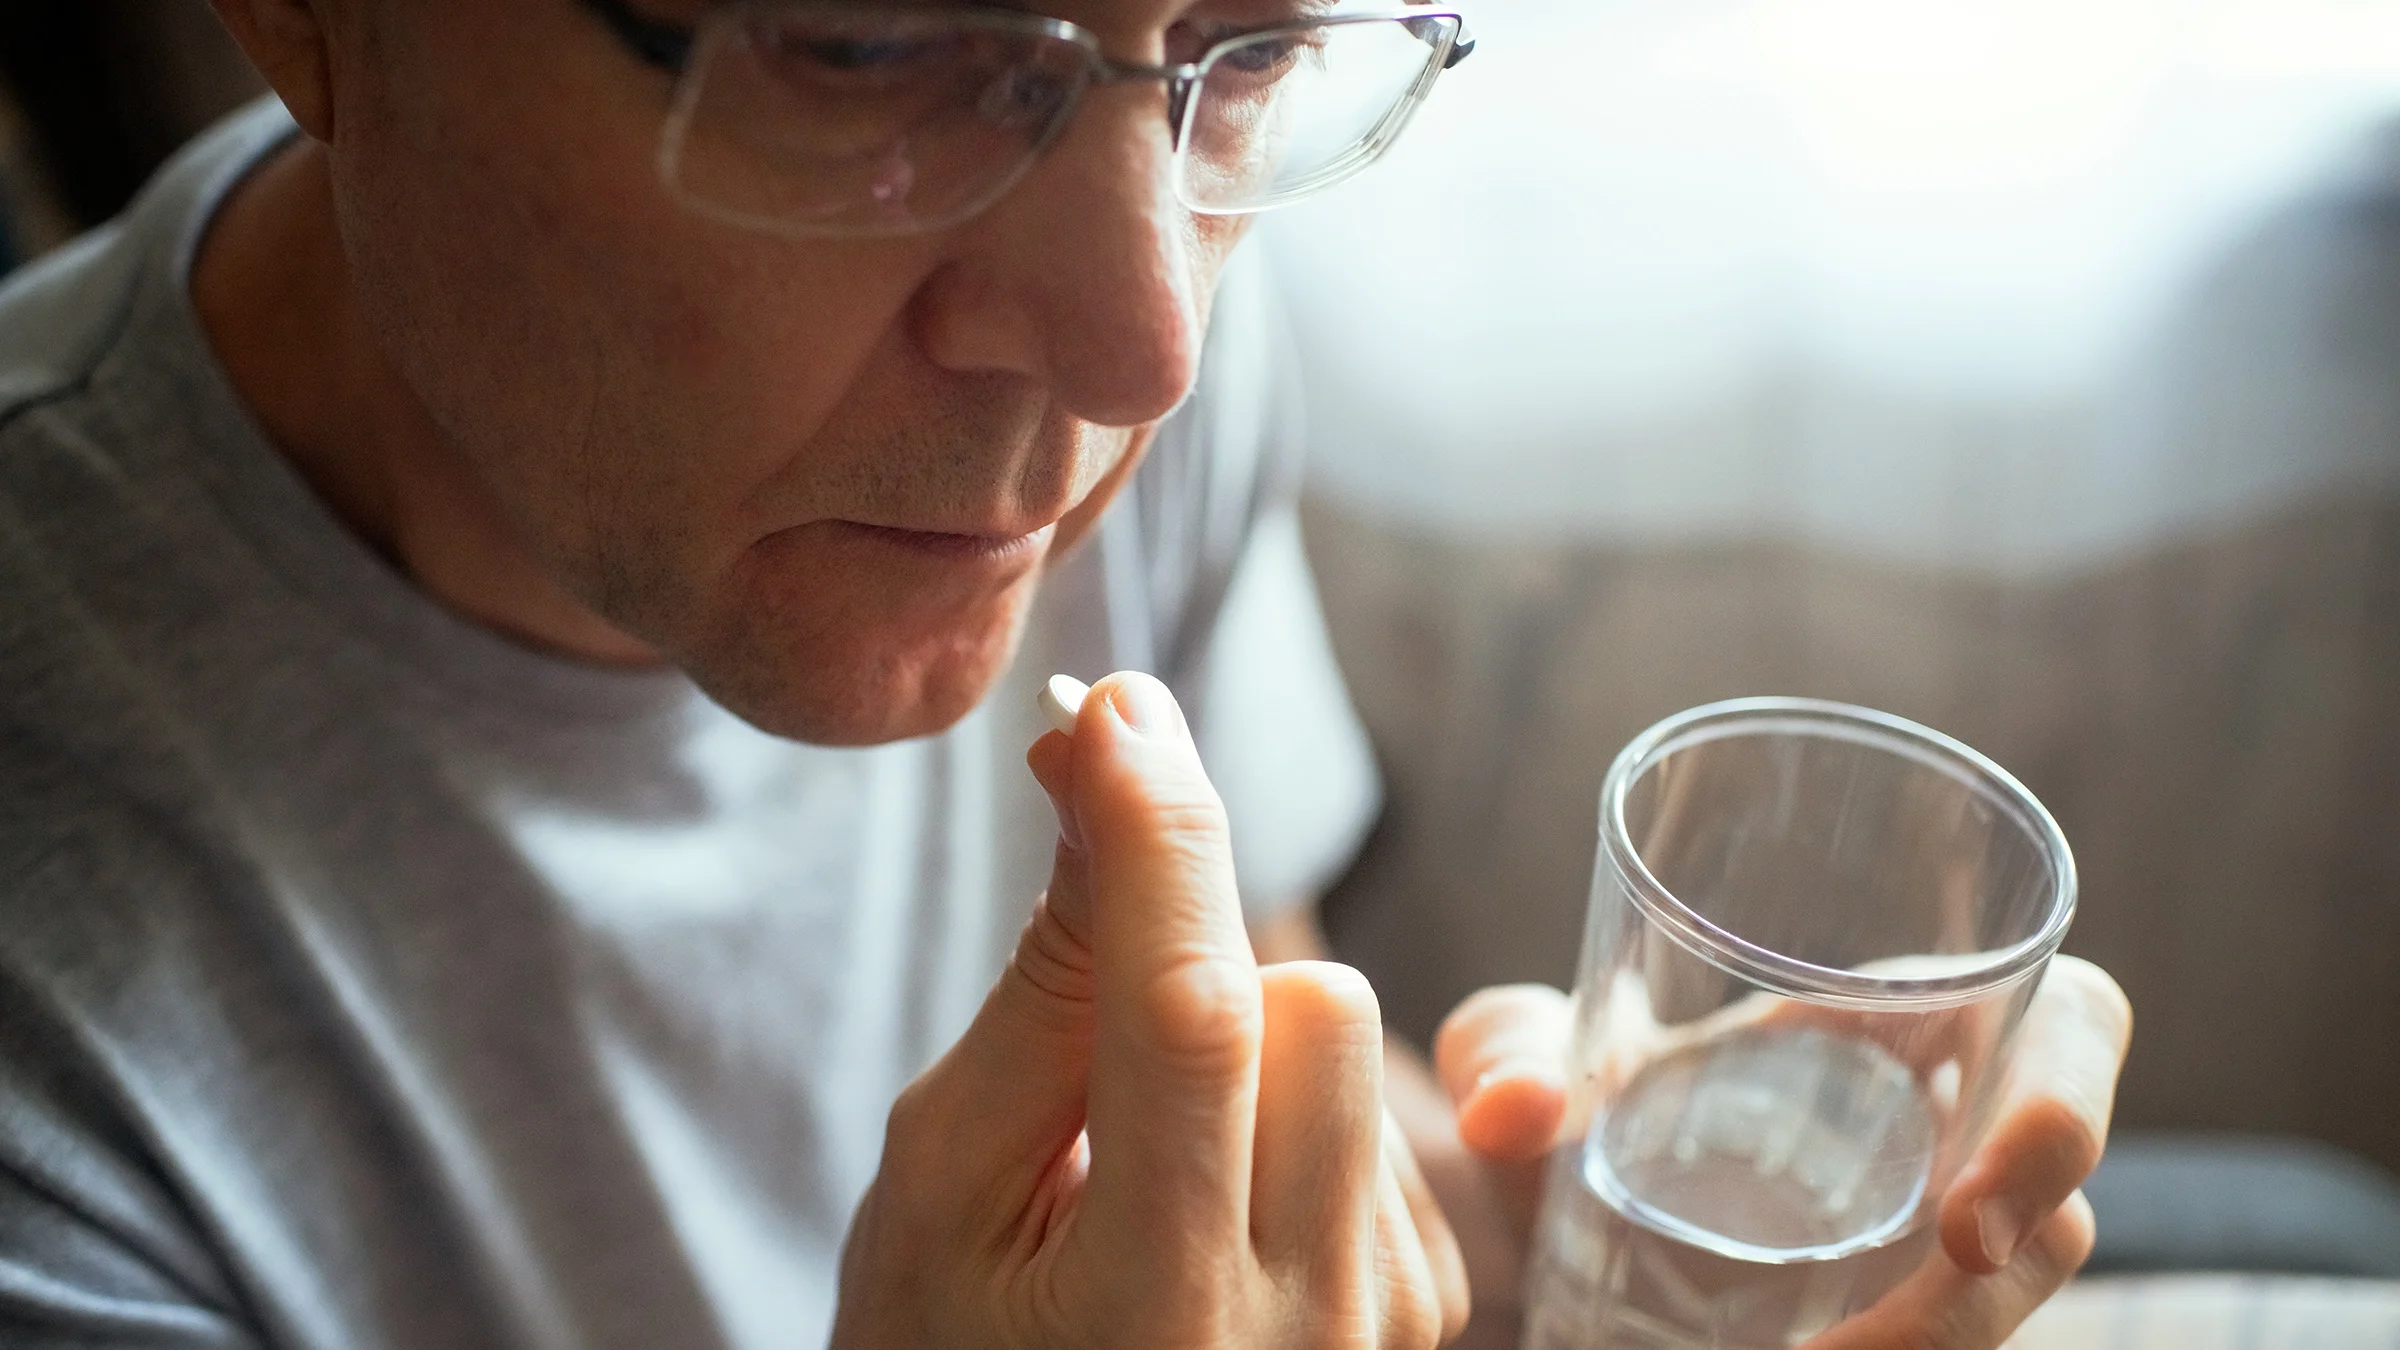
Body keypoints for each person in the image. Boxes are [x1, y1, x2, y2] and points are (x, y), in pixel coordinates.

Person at [0, 0, 2132, 1346]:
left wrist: (1607, 1198)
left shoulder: (1143, 245)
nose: (1148, 346)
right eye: (868, 54)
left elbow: (1234, 1104)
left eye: (1264, 43)